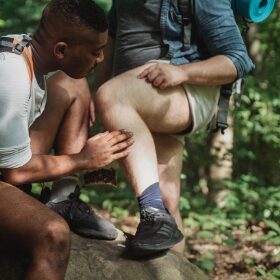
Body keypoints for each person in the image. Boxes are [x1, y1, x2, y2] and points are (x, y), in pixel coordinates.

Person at [93, 0, 254, 255]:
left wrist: (183, 73)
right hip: (138, 93)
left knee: (112, 96)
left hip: (184, 89)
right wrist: (94, 97)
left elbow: (238, 61)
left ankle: (153, 214)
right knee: (168, 199)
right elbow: (113, 41)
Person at [0, 0, 134, 279]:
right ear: (61, 50)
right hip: (8, 172)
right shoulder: (11, 76)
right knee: (54, 234)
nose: (100, 60)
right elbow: (13, 172)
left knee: (75, 84)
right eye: (96, 52)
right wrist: (81, 159)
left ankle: (64, 198)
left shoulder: (24, 51)